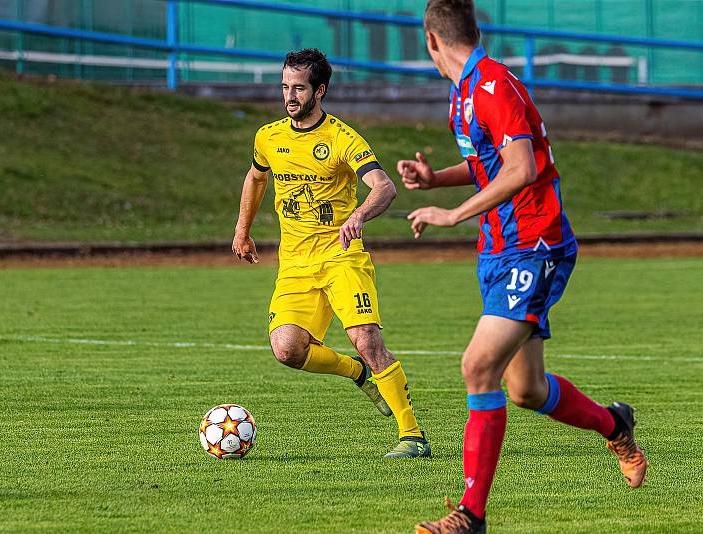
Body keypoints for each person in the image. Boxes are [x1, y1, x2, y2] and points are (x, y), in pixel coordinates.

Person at [399, 1, 647, 531]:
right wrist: (435, 179)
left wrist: (452, 214)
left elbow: (522, 167)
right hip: (499, 250)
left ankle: (469, 515)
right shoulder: (463, 92)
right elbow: (487, 163)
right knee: (527, 389)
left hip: (534, 247)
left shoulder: (494, 86)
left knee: (477, 366)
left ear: (431, 41)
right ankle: (615, 424)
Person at [233, 48, 430, 458]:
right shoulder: (268, 137)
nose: (289, 95)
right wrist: (242, 230)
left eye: (299, 88)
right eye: (285, 86)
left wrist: (358, 215)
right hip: (295, 265)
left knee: (367, 341)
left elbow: (384, 186)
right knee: (287, 349)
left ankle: (412, 436)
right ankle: (355, 373)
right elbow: (256, 178)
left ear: (319, 90)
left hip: (341, 258)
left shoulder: (342, 138)